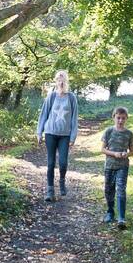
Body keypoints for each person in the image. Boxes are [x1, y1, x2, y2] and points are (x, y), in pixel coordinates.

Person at [36, 70, 78, 201]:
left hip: (64, 135)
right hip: (50, 133)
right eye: (58, 79)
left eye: (63, 79)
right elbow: (43, 114)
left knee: (63, 162)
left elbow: (74, 118)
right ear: (55, 81)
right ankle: (50, 191)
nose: (60, 82)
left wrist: (73, 137)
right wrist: (39, 132)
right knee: (50, 162)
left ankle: (62, 181)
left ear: (66, 81)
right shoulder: (51, 96)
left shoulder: (71, 97)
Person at [101, 106, 133, 228]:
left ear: (126, 119)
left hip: (123, 166)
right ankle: (110, 212)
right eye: (118, 118)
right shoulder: (109, 131)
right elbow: (102, 149)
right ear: (113, 117)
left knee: (121, 190)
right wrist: (114, 153)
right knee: (109, 190)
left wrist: (126, 154)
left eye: (123, 118)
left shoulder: (129, 134)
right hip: (109, 166)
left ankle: (121, 218)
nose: (120, 121)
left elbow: (132, 151)